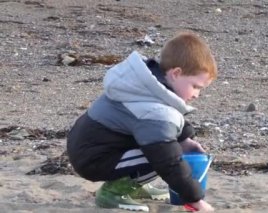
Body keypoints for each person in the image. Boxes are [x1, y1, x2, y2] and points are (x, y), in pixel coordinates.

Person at [66, 31, 217, 212]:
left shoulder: (147, 86)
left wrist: (185, 139)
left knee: (166, 146)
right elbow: (167, 158)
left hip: (91, 147)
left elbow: (166, 121)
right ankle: (113, 192)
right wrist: (194, 198)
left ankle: (134, 186)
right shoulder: (154, 109)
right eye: (195, 87)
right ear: (176, 73)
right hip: (93, 158)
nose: (197, 95)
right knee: (163, 154)